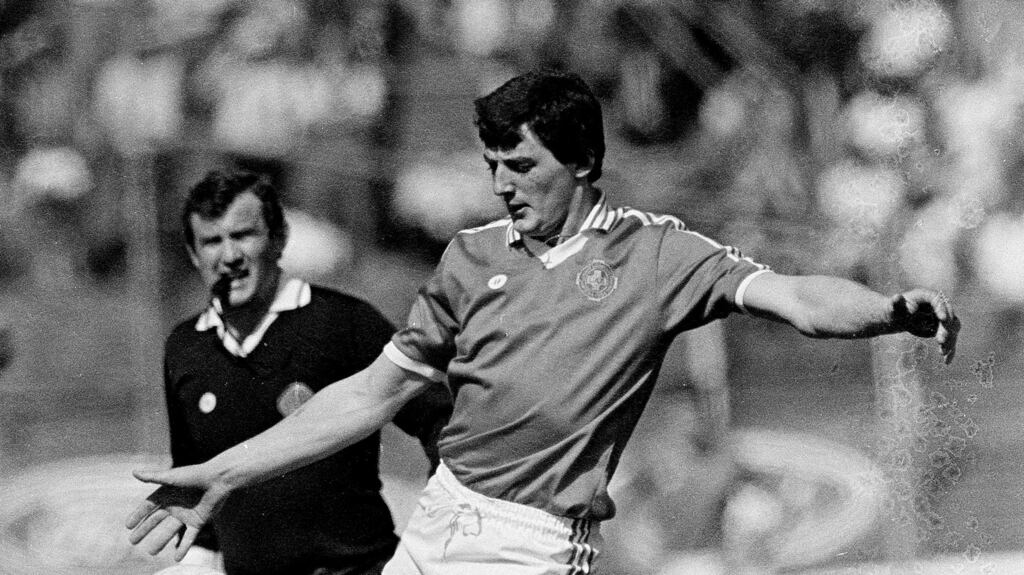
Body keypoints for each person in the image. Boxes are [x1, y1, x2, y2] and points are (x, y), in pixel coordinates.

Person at [127, 72, 959, 575]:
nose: (503, 185)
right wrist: (229, 470)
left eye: (521, 165)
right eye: (492, 166)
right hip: (439, 518)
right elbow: (366, 398)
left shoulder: (659, 256)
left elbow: (801, 299)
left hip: (527, 543)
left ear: (585, 162)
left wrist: (887, 312)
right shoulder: (469, 256)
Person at [153, 170, 451, 575]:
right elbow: (198, 493)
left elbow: (444, 426)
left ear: (279, 239)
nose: (229, 256)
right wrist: (194, 565)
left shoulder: (344, 323)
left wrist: (433, 538)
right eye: (212, 241)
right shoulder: (185, 348)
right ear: (193, 255)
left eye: (243, 235)